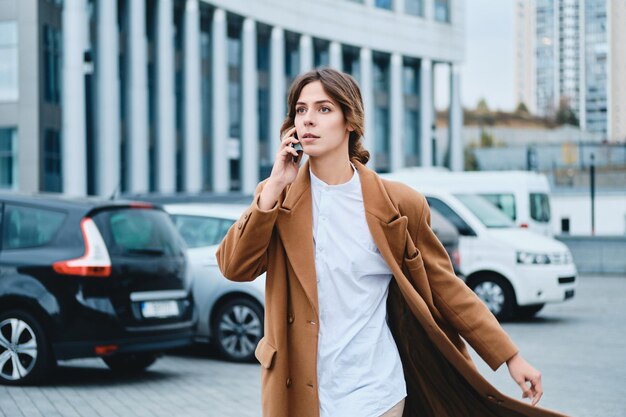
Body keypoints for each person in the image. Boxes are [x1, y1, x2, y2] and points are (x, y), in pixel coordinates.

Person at [216, 68, 567, 417]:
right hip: (300, 390)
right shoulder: (277, 196)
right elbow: (234, 266)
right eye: (301, 110)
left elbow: (446, 287)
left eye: (324, 109)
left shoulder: (399, 204)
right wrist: (274, 188)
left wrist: (509, 355)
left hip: (376, 390)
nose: (309, 119)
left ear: (349, 120)